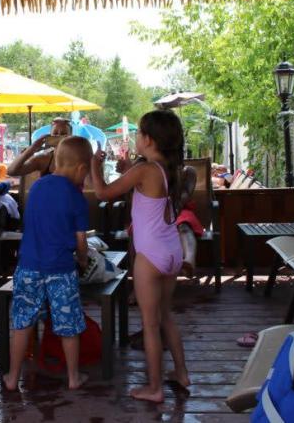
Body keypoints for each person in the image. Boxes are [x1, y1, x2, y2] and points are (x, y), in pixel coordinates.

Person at [91, 110, 190, 403]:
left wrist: (96, 165)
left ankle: (155, 388)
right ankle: (182, 374)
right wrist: (128, 168)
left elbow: (102, 193)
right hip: (172, 251)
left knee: (149, 324)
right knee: (165, 317)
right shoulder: (167, 169)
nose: (135, 138)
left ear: (147, 139)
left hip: (150, 255)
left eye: (137, 134)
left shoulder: (145, 170)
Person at [2, 136, 92, 392]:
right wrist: (83, 261)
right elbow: (81, 241)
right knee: (68, 325)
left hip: (28, 267)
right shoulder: (76, 197)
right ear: (81, 169)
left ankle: (12, 377)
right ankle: (74, 377)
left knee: (23, 322)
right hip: (61, 270)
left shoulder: (38, 187)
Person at [6, 117, 72, 177]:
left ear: (70, 136)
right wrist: (32, 148)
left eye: (63, 134)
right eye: (55, 133)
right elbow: (11, 171)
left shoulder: (78, 158)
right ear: (50, 136)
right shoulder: (44, 159)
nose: (59, 136)